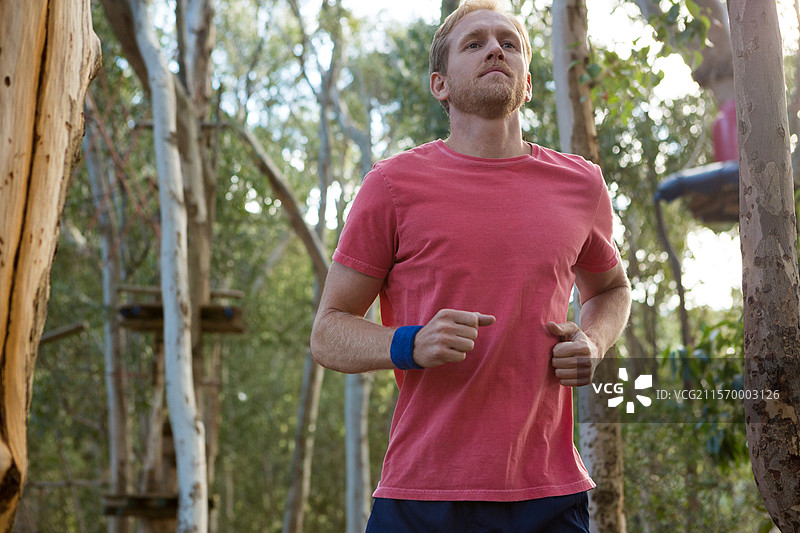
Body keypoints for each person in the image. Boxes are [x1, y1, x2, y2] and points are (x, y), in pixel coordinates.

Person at [310, 0, 632, 530]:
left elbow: (612, 289)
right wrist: (410, 343)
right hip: (422, 497)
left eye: (509, 43)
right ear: (440, 84)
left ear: (527, 84)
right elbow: (327, 332)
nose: (495, 50)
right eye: (474, 43)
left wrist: (594, 342)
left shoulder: (582, 184)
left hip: (549, 497)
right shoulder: (391, 186)